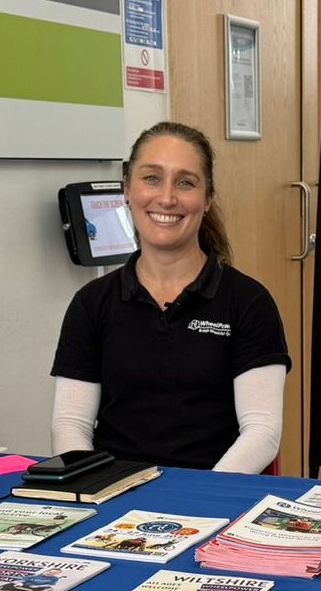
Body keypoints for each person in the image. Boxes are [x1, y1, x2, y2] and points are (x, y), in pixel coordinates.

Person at [50, 121, 290, 472]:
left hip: (213, 495)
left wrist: (193, 500)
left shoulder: (248, 302)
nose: (166, 198)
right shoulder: (91, 304)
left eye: (185, 182)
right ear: (126, 190)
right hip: (114, 499)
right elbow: (71, 426)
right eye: (151, 178)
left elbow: (262, 433)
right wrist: (97, 489)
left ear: (208, 199)